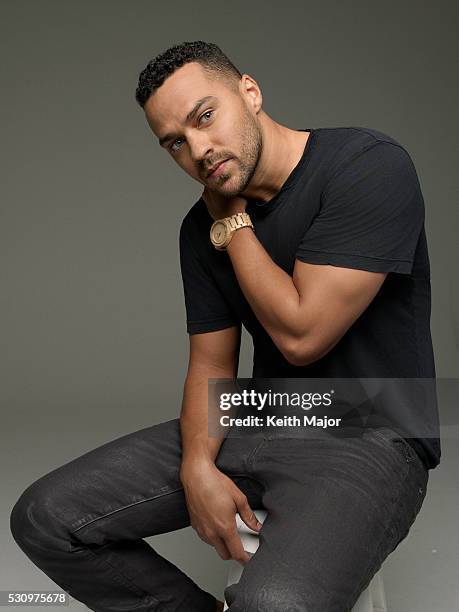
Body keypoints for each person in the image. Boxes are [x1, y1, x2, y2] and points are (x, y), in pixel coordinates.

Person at [10, 40, 441, 612]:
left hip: (374, 429)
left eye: (204, 117)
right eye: (175, 143)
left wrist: (234, 225)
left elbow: (302, 335)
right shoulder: (200, 228)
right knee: (46, 519)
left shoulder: (366, 167)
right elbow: (211, 365)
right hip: (263, 417)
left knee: (274, 602)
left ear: (250, 92)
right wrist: (196, 468)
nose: (199, 150)